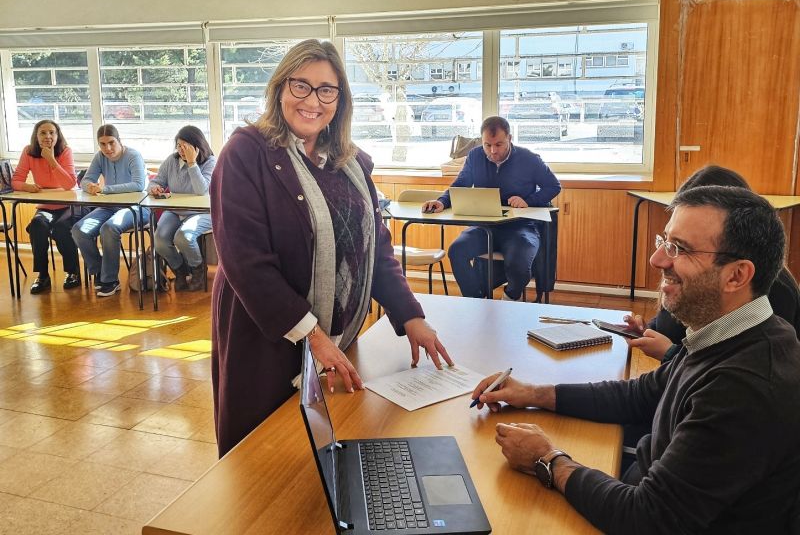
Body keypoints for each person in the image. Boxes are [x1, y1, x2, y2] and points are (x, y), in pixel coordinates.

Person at [472, 185, 800, 533]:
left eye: (680, 249)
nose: (657, 259)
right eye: (665, 240)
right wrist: (531, 393)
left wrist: (548, 459)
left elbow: (647, 519)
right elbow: (640, 395)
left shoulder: (745, 387)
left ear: (736, 275)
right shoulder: (729, 332)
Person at [210, 39, 453, 457]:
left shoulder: (349, 161)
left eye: (327, 90)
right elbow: (247, 265)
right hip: (267, 339)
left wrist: (410, 315)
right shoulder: (246, 153)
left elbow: (375, 247)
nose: (313, 100)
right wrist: (313, 336)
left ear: (340, 100)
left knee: (323, 448)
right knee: (265, 458)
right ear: (280, 88)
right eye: (300, 85)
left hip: (337, 337)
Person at [624, 165, 800, 361]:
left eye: (682, 246)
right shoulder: (691, 274)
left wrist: (670, 354)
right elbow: (670, 323)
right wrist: (648, 329)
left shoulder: (775, 292)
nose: (656, 260)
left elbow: (731, 367)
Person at [421, 116, 561, 300]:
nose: (493, 151)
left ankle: (510, 297)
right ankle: (476, 300)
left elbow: (554, 186)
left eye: (499, 144)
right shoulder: (475, 156)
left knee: (519, 264)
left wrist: (529, 200)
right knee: (456, 251)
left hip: (521, 227)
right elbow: (461, 184)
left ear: (509, 138)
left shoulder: (528, 159)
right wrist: (442, 201)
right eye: (488, 145)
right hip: (485, 226)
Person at [71, 124, 148, 297]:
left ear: (119, 141)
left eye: (111, 143)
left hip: (136, 208)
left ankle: (110, 280)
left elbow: (138, 185)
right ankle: (100, 271)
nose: (108, 148)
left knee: (109, 228)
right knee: (79, 230)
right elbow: (85, 180)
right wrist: (89, 186)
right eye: (103, 144)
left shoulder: (133, 155)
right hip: (108, 207)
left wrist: (105, 189)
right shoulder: (100, 157)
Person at [11, 120, 83, 294]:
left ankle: (73, 272)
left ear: (58, 135)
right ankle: (43, 275)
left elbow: (69, 184)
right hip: (45, 206)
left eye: (52, 132)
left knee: (61, 228)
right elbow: (16, 180)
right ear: (36, 136)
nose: (48, 136)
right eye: (43, 133)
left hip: (68, 206)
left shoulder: (65, 151)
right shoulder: (28, 152)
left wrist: (51, 160)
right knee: (37, 225)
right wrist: (27, 187)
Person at [149, 125, 216, 291]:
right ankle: (180, 270)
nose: (181, 150)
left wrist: (192, 163)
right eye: (178, 145)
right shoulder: (171, 161)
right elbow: (157, 181)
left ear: (197, 146)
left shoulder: (210, 162)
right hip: (174, 210)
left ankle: (198, 269)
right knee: (160, 240)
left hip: (201, 212)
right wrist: (154, 187)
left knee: (183, 236)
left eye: (185, 146)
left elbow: (202, 190)